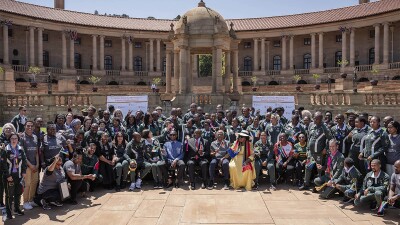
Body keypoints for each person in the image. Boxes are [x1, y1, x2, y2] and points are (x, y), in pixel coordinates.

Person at [0, 132, 27, 220]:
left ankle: (17, 209)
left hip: (18, 175)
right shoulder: (5, 150)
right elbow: (3, 164)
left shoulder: (21, 149)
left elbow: (24, 161)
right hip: (9, 176)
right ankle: (8, 213)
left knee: (18, 193)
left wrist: (23, 172)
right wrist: (7, 175)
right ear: (9, 140)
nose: (14, 140)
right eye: (12, 138)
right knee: (9, 195)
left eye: (16, 138)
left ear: (18, 140)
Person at [19, 121, 40, 211]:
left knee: (34, 182)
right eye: (28, 126)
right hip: (26, 166)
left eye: (31, 126)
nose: (30, 127)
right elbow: (22, 154)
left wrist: (37, 164)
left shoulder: (35, 137)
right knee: (27, 184)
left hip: (35, 165)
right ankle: (25, 202)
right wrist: (30, 165)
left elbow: (36, 152)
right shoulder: (22, 137)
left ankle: (31, 200)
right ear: (25, 126)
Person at [0, 123, 16, 209]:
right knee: (1, 184)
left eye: (10, 128)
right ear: (4, 129)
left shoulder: (14, 138)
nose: (8, 129)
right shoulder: (0, 138)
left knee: (11, 183)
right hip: (2, 165)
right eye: (6, 128)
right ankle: (0, 202)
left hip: (11, 164)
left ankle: (10, 199)